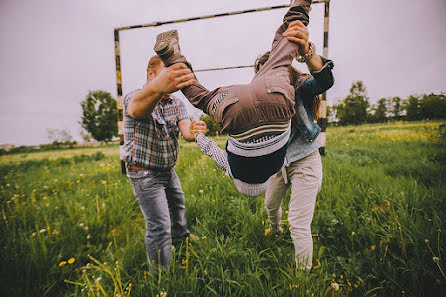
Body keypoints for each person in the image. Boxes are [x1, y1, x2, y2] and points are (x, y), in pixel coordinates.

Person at [153, 0, 313, 196]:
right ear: (237, 181)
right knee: (201, 98)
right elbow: (209, 148)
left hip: (276, 100)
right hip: (233, 109)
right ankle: (172, 57)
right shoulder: (231, 170)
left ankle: (300, 9)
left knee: (281, 56)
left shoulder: (276, 167)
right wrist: (198, 136)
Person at [121, 55, 207, 270]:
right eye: (168, 72)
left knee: (177, 205)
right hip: (144, 174)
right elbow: (137, 110)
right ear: (151, 74)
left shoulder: (176, 103)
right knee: (159, 225)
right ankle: (162, 276)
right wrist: (159, 86)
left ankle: (182, 237)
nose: (173, 81)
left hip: (168, 170)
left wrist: (194, 131)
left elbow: (185, 130)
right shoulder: (136, 97)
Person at [261, 24, 334, 271]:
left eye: (273, 74)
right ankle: (275, 229)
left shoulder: (301, 85)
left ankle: (302, 279)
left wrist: (308, 52)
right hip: (278, 163)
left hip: (305, 160)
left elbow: (324, 80)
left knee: (299, 223)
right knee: (270, 205)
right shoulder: (261, 101)